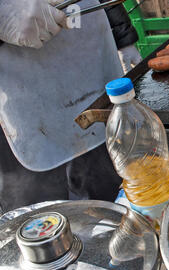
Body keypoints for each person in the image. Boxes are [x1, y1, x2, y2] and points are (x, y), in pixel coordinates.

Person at [0, 0, 142, 214]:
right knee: (38, 212)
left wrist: (122, 34)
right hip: (16, 96)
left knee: (113, 187)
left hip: (89, 58)